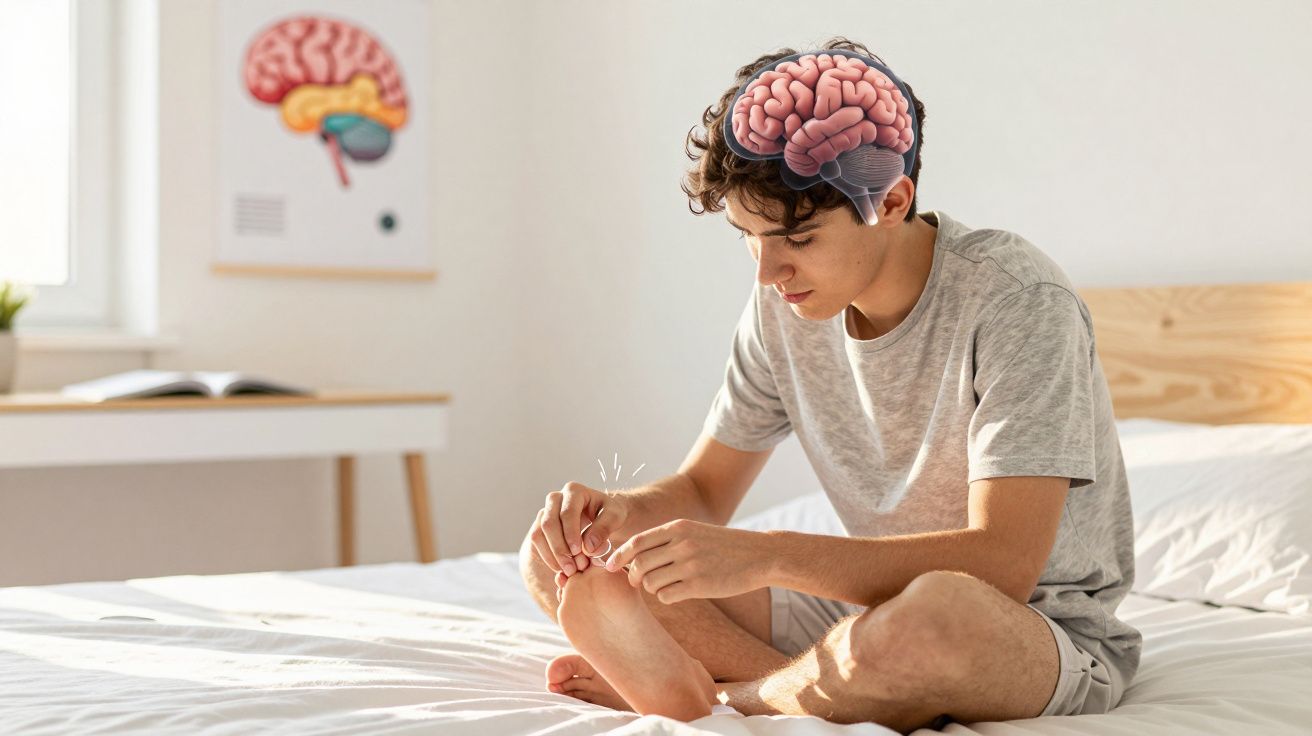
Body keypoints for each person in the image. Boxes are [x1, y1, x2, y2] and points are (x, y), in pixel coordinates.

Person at [517, 37, 1140, 732]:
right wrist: (617, 516)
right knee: (557, 565)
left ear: (893, 201)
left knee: (935, 615)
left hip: (1027, 628)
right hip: (863, 612)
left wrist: (767, 555)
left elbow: (1002, 567)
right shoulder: (784, 305)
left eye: (799, 238)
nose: (767, 273)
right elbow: (703, 491)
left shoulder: (1018, 301)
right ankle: (787, 688)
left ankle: (736, 698)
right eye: (748, 237)